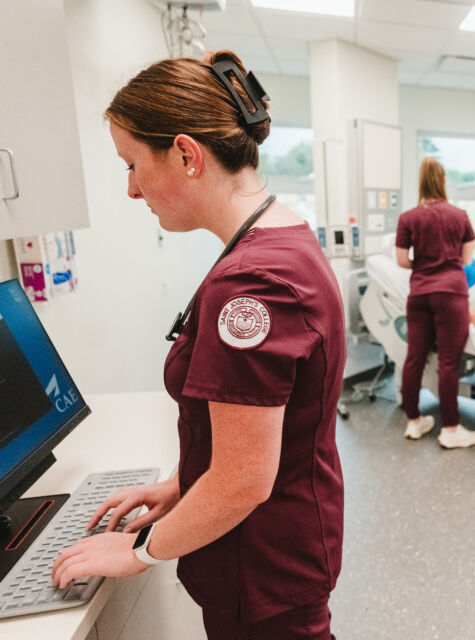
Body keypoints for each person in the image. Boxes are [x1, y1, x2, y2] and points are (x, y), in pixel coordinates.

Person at [51, 51, 344, 640]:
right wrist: (182, 485)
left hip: (262, 566)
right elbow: (255, 426)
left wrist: (138, 552)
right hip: (283, 544)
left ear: (186, 154)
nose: (131, 189)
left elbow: (243, 480)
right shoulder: (281, 237)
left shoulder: (254, 283)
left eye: (132, 164)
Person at [395, 158, 475, 449]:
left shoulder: (408, 217)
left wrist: (426, 264)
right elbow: (467, 259)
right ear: (443, 180)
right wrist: (444, 261)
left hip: (419, 294)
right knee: (448, 363)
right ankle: (451, 429)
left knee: (414, 358)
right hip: (452, 295)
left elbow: (401, 260)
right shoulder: (460, 215)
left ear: (420, 181)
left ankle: (414, 422)